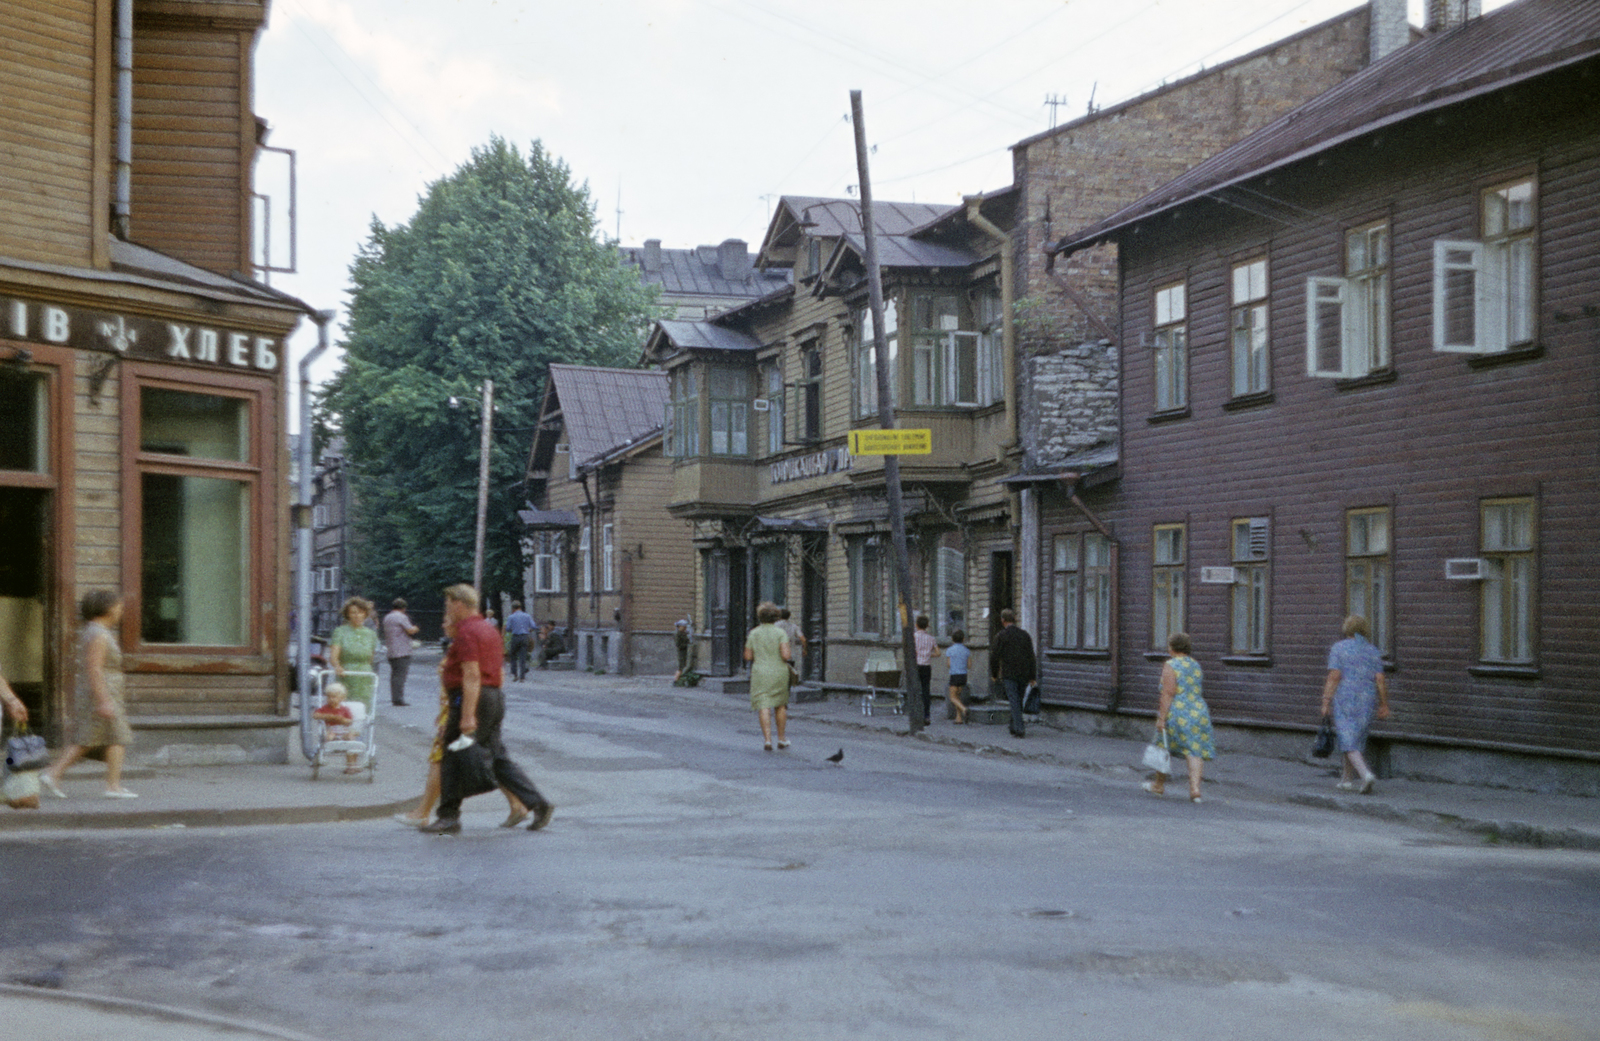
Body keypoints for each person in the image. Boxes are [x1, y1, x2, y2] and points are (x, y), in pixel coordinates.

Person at [421, 584, 553, 834]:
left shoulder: (468, 632)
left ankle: (448, 816)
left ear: (459, 604)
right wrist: (492, 701)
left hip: (472, 698)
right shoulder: (488, 630)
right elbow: (499, 669)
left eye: (449, 605)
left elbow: (471, 675)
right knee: (499, 758)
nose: (447, 610)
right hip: (493, 697)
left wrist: (468, 714)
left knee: (452, 752)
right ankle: (539, 804)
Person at [41, 591, 136, 799]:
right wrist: (103, 701)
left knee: (96, 738)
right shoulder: (99, 634)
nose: (121, 611)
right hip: (103, 693)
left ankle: (54, 774)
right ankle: (112, 787)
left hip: (105, 692)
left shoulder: (95, 631)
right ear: (107, 609)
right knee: (115, 737)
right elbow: (94, 669)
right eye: (118, 607)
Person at [1321, 614, 1391, 795]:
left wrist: (1326, 700)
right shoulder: (1372, 650)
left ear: (1347, 629)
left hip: (1345, 698)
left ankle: (1365, 774)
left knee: (1347, 739)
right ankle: (1346, 780)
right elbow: (1380, 679)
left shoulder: (1339, 648)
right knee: (1356, 738)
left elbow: (1334, 676)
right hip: (1367, 699)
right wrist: (1384, 704)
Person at [1143, 632, 1215, 803]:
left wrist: (1161, 718)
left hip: (1178, 711)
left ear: (1171, 647)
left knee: (1163, 746)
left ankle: (1158, 785)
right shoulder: (1195, 665)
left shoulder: (1171, 664)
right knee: (1194, 749)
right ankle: (1195, 790)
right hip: (1198, 711)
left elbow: (1168, 693)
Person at [743, 601, 792, 752]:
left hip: (760, 672)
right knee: (780, 704)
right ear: (776, 617)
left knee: (763, 705)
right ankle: (782, 739)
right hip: (778, 672)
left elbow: (748, 656)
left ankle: (767, 740)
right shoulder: (780, 633)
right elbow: (786, 655)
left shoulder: (754, 633)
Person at [990, 608, 1036, 738]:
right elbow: (1031, 656)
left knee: (1014, 700)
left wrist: (994, 674)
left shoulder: (1001, 636)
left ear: (1003, 620)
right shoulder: (1025, 635)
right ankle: (1013, 726)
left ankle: (1019, 728)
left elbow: (994, 657)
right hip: (1024, 673)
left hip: (1009, 673)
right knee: (1018, 700)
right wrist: (1032, 676)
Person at [329, 597, 379, 711]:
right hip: (346, 675)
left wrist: (367, 669)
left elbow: (371, 657)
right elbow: (333, 657)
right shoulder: (340, 631)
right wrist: (337, 666)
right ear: (348, 615)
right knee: (345, 709)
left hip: (365, 676)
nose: (357, 616)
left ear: (366, 614)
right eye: (353, 613)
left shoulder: (371, 634)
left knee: (363, 710)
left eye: (361, 612)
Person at [312, 681, 362, 774]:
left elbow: (349, 721)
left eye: (334, 697)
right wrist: (327, 716)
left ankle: (351, 765)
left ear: (342, 698)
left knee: (352, 739)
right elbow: (315, 715)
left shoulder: (344, 709)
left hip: (343, 730)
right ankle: (329, 745)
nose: (331, 699)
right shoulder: (325, 708)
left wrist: (342, 719)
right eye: (329, 697)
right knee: (329, 735)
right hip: (332, 730)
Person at [381, 598, 419, 706]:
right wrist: (416, 628)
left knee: (394, 675)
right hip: (402, 650)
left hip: (391, 649)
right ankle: (398, 698)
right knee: (400, 676)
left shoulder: (387, 617)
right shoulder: (401, 617)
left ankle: (395, 696)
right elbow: (410, 630)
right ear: (404, 608)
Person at [912, 614, 941, 725]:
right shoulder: (931, 638)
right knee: (925, 691)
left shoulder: (913, 637)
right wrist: (928, 654)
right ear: (927, 626)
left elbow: (911, 652)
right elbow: (938, 653)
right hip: (926, 667)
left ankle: (915, 714)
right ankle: (927, 715)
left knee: (914, 690)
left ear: (916, 625)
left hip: (915, 666)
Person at [505, 601, 535, 682]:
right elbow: (533, 626)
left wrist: (513, 629)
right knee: (523, 657)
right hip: (524, 637)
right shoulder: (527, 616)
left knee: (513, 655)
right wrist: (528, 630)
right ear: (520, 607)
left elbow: (508, 628)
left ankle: (515, 675)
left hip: (515, 637)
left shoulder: (511, 617)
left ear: (513, 608)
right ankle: (522, 677)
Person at [945, 628, 970, 725]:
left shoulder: (950, 650)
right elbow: (969, 665)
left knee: (952, 698)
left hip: (954, 675)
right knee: (958, 696)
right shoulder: (967, 650)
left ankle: (964, 709)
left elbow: (948, 664)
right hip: (963, 676)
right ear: (963, 639)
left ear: (952, 639)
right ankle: (958, 718)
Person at [776, 608, 806, 681]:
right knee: (788, 676)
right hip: (791, 655)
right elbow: (803, 639)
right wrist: (804, 649)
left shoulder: (775, 626)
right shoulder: (794, 626)